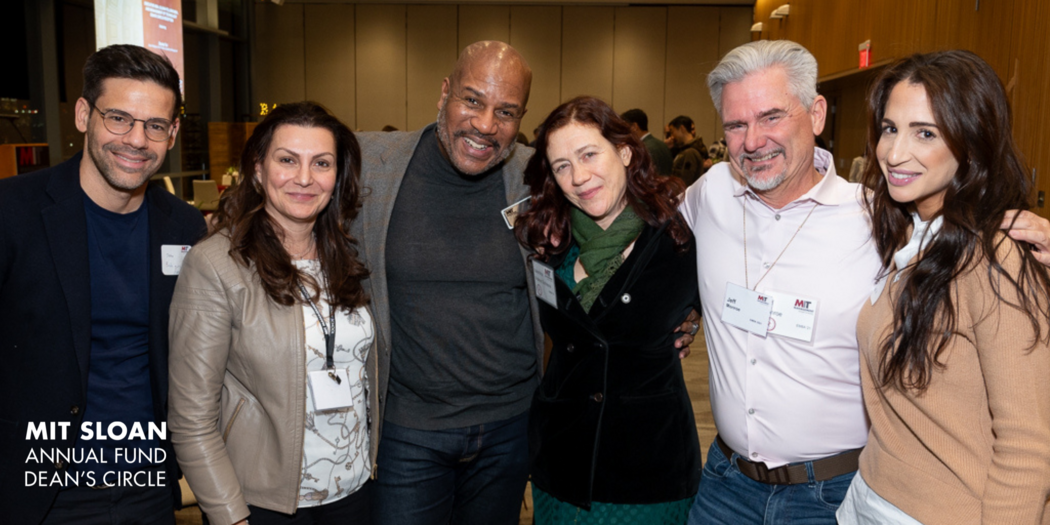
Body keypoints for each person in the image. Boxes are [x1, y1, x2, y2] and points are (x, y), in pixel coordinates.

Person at [680, 39, 1050, 525]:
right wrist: (679, 311)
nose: (752, 142)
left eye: (771, 117)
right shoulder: (712, 194)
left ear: (816, 114)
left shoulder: (876, 218)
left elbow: (1027, 438)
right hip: (729, 487)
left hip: (830, 493)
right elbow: (646, 238)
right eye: (736, 125)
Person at [351, 41, 699, 525]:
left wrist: (686, 311)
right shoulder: (372, 164)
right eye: (472, 100)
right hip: (409, 429)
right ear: (444, 92)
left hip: (512, 427)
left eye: (506, 111)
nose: (486, 124)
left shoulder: (536, 179)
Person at [836, 50, 1050, 525]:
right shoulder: (916, 233)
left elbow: (1027, 447)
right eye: (890, 129)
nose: (894, 153)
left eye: (925, 133)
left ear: (972, 142)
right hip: (871, 494)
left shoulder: (994, 257)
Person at [0, 44, 204, 524]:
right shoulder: (13, 212)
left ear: (172, 134)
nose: (137, 139)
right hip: (39, 488)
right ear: (83, 115)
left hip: (147, 487)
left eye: (155, 125)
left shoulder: (184, 227)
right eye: (119, 118)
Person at [168, 102, 376, 525]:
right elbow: (191, 418)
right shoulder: (216, 265)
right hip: (264, 505)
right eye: (287, 160)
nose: (304, 178)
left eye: (321, 163)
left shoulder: (350, 257)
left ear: (337, 177)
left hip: (355, 492)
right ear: (258, 170)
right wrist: (230, 515)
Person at [515, 96, 701, 524]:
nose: (579, 177)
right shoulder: (550, 241)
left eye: (588, 154)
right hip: (560, 466)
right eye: (562, 166)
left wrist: (693, 316)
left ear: (624, 151)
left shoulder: (678, 236)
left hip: (646, 471)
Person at [621, 108, 674, 176]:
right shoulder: (663, 145)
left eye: (625, 128)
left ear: (634, 127)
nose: (624, 132)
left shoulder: (643, 149)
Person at [666, 116, 711, 186]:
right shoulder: (684, 150)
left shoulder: (690, 152)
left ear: (682, 129)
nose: (672, 136)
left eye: (672, 131)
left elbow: (685, 182)